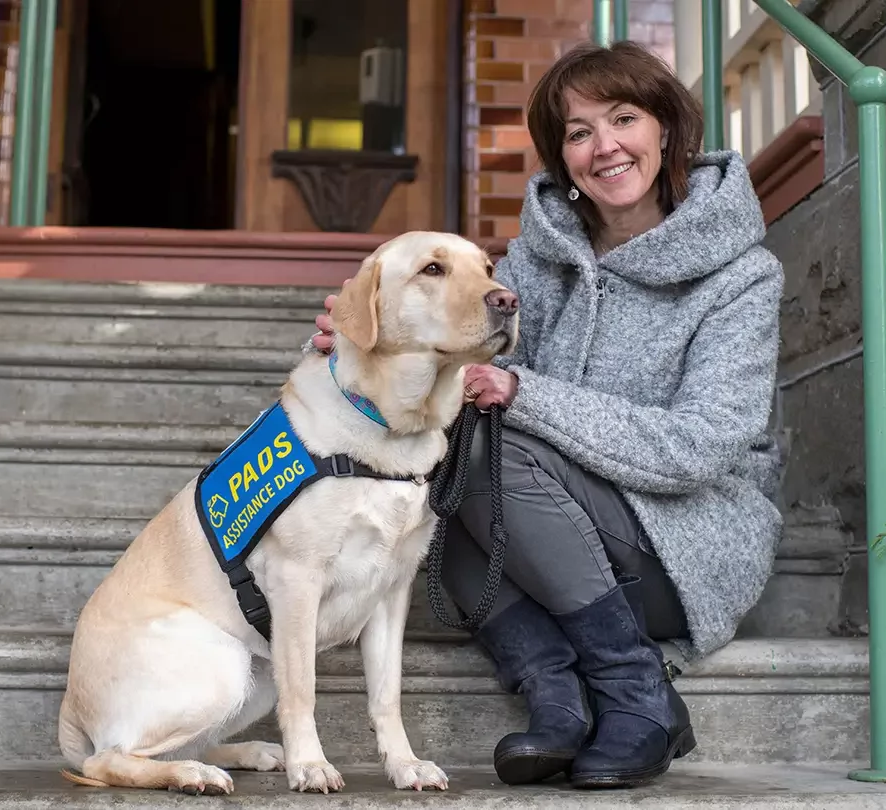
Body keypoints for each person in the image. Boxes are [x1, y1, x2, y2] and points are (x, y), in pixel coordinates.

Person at [305, 40, 784, 790]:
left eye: (624, 118)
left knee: (498, 449)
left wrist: (526, 394)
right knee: (442, 470)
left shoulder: (741, 277)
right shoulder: (537, 258)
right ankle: (555, 698)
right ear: (563, 158)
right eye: (579, 131)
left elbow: (702, 445)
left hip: (680, 548)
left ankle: (635, 688)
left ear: (666, 127)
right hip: (539, 533)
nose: (605, 147)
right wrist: (370, 347)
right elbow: (455, 367)